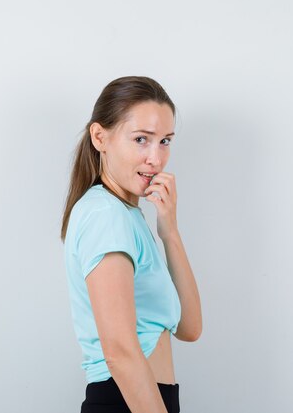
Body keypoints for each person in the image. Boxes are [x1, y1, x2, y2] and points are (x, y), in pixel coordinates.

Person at [60, 76, 203, 413]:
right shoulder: (105, 214)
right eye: (141, 139)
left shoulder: (126, 215)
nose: (156, 158)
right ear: (100, 137)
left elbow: (190, 327)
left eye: (165, 141)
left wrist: (169, 230)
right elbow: (121, 351)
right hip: (125, 402)